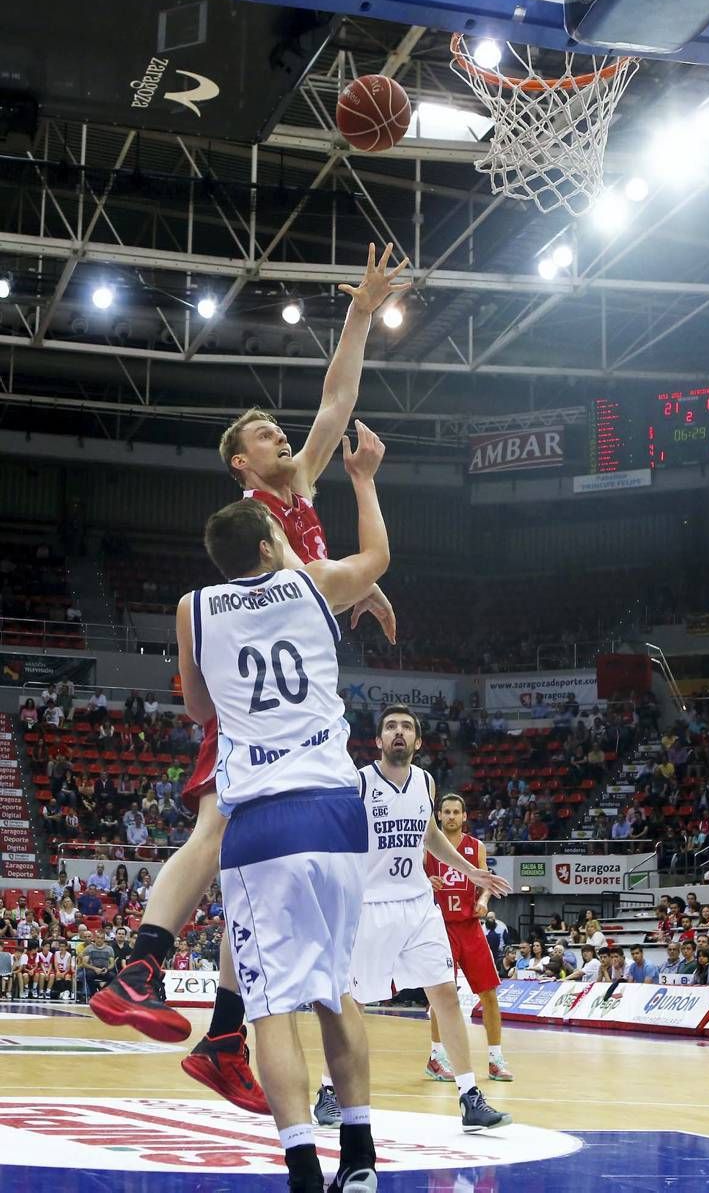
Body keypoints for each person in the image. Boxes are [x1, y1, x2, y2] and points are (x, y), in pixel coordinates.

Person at [89, 246, 408, 1113]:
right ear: (240, 463)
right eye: (264, 435)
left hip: (289, 707)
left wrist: (358, 313)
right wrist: (362, 581)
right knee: (213, 834)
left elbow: (336, 400)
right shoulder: (252, 520)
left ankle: (226, 1031)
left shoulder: (298, 492)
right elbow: (306, 573)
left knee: (250, 872)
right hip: (256, 712)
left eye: (279, 431)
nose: (282, 437)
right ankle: (141, 964)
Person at [96, 418, 392, 1193]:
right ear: (271, 540)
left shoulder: (194, 607)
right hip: (336, 805)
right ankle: (359, 1162)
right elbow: (375, 555)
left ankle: (296, 1160)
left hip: (261, 815)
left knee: (275, 1011)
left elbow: (198, 709)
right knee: (337, 994)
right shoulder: (310, 579)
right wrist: (364, 479)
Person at [347, 705, 512, 1130]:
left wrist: (469, 870)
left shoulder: (425, 781)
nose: (398, 733)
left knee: (446, 994)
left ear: (418, 742)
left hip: (420, 905)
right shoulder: (359, 782)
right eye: (390, 727)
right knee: (353, 1002)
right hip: (372, 906)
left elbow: (428, 833)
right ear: (378, 740)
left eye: (406, 727)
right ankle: (330, 1090)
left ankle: (469, 1095)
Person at [425, 793, 515, 1084]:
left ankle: (495, 1058)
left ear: (464, 817)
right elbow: (412, 877)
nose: (451, 816)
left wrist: (485, 899)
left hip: (469, 926)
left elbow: (485, 884)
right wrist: (426, 882)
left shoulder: (476, 847)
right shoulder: (427, 846)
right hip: (440, 928)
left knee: (488, 994)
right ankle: (436, 1057)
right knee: (443, 997)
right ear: (439, 816)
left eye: (456, 812)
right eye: (446, 812)